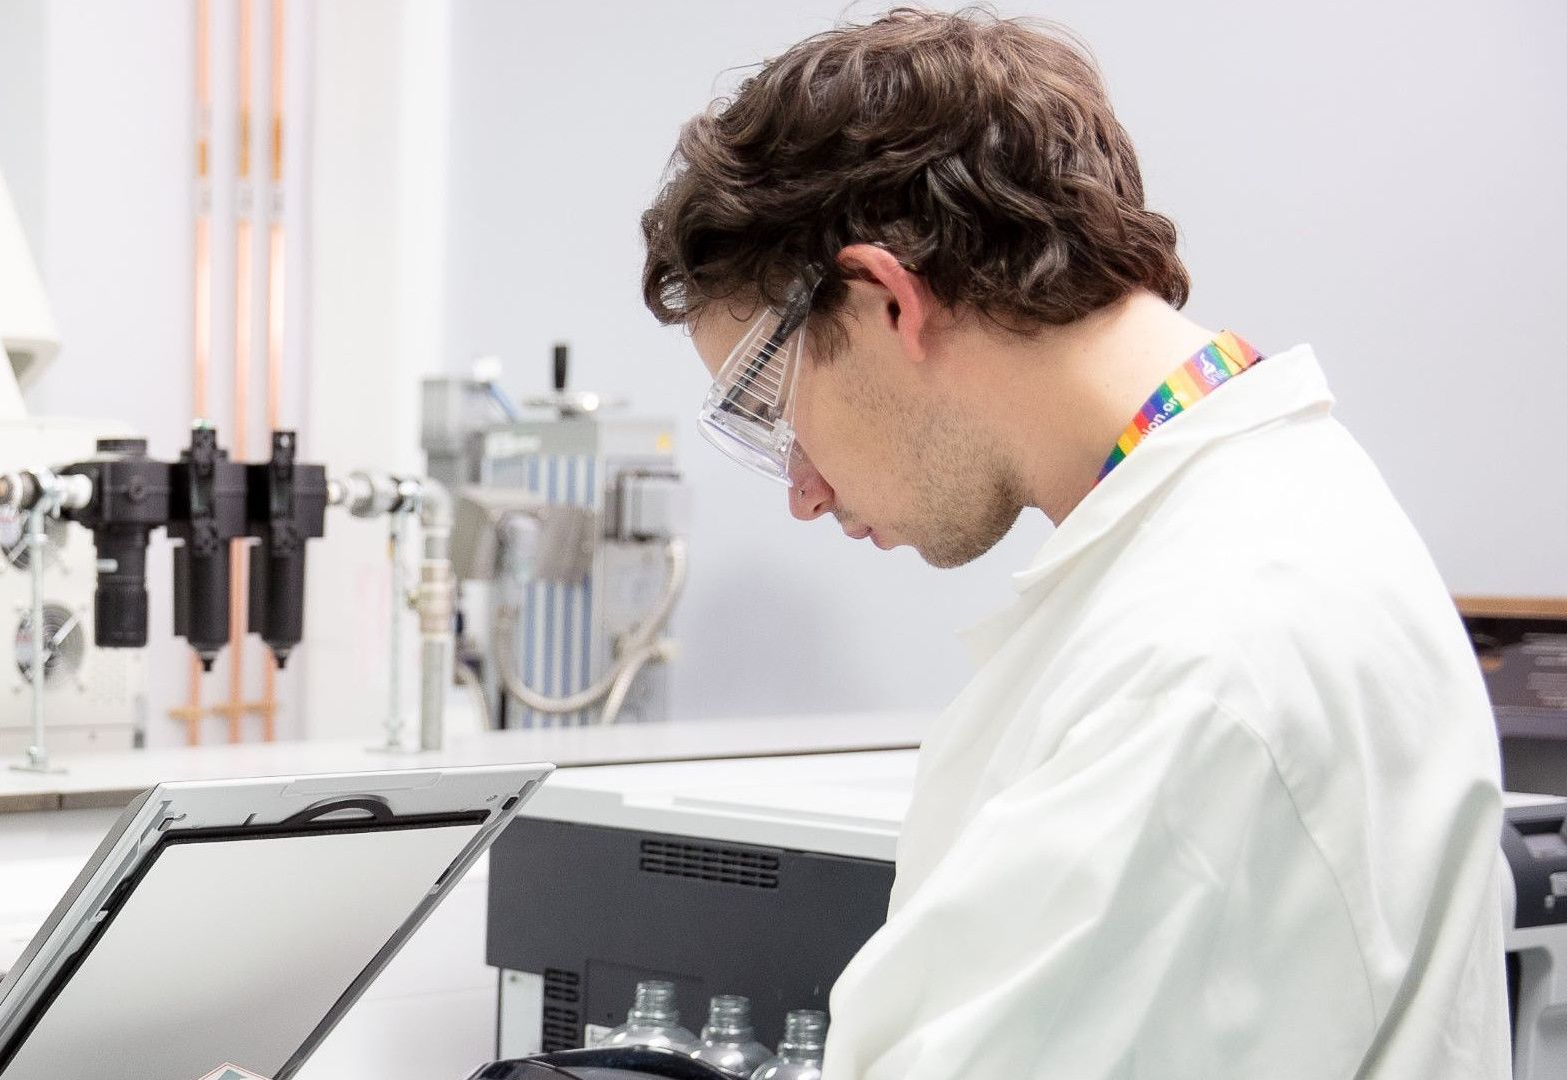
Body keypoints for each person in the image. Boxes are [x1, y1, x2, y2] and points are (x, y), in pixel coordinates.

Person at [639, 8, 1508, 1079]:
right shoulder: (1259, 526)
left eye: (771, 406)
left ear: (883, 302)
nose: (803, 495)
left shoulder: (1201, 652)